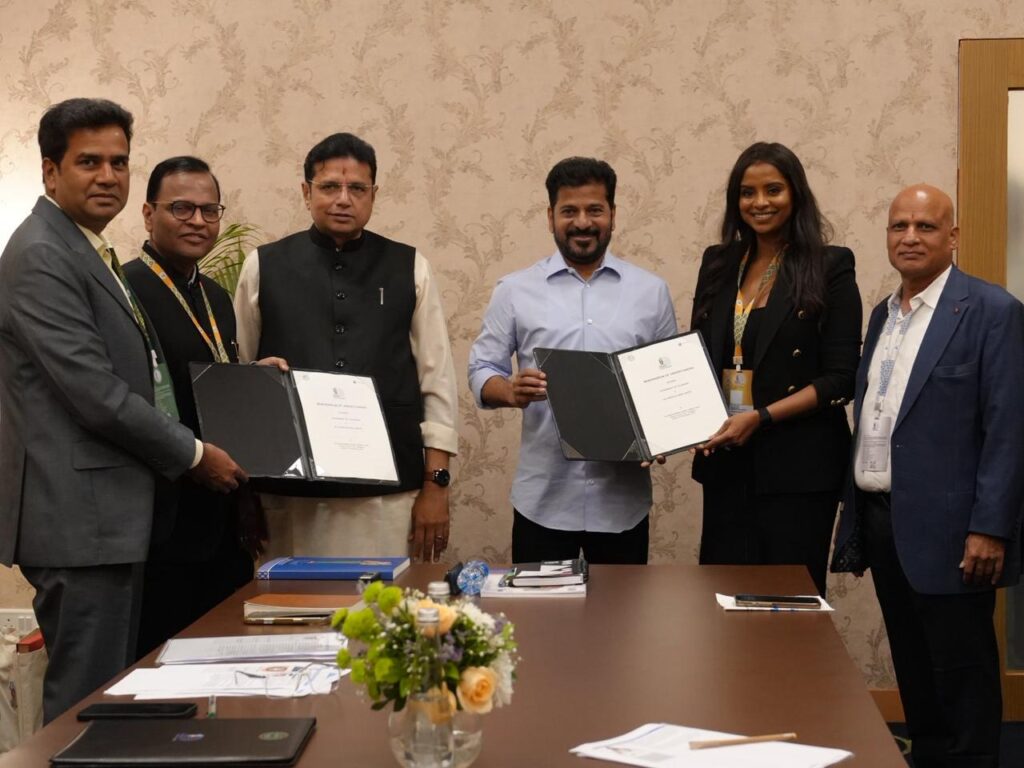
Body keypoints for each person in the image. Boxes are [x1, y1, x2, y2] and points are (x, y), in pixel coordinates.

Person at [0, 99, 246, 722]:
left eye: (118, 162)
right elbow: (95, 393)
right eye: (89, 162)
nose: (108, 176)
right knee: (85, 705)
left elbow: (144, 373)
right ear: (50, 171)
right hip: (80, 521)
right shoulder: (42, 253)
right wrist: (194, 454)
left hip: (108, 518)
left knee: (110, 699)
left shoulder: (86, 249)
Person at [832, 184, 1024, 768]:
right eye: (899, 226)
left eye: (926, 226)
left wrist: (990, 527)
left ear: (953, 236)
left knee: (962, 677)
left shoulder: (991, 311)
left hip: (956, 531)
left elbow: (1009, 428)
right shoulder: (883, 315)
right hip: (884, 521)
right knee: (914, 671)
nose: (910, 237)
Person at [233, 132, 458, 562]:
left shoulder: (410, 266)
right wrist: (244, 492)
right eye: (329, 187)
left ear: (374, 194)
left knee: (384, 603)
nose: (343, 199)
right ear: (306, 192)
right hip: (290, 493)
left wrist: (436, 485)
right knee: (293, 604)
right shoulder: (263, 266)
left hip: (389, 491)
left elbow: (438, 383)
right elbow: (240, 381)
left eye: (357, 188)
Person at [468, 157, 677, 564]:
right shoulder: (514, 290)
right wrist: (510, 391)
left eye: (595, 210)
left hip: (622, 505)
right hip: (543, 502)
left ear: (613, 214)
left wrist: (665, 433)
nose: (582, 222)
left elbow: (667, 382)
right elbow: (481, 369)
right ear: (550, 217)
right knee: (540, 609)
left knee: (621, 608)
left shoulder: (651, 291)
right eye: (569, 211)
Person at [123, 156, 284, 657]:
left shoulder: (215, 296)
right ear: (148, 214)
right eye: (181, 208)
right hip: (159, 521)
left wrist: (253, 380)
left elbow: (208, 381)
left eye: (209, 210)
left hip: (221, 518)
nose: (197, 221)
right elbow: (124, 402)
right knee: (160, 665)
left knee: (225, 657)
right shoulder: (124, 291)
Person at [689, 142, 861, 596]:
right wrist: (669, 426)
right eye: (747, 192)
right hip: (727, 463)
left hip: (799, 468)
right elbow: (697, 360)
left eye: (773, 190)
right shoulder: (718, 263)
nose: (759, 202)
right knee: (723, 599)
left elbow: (841, 378)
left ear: (795, 194)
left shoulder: (830, 265)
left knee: (790, 603)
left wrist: (761, 418)